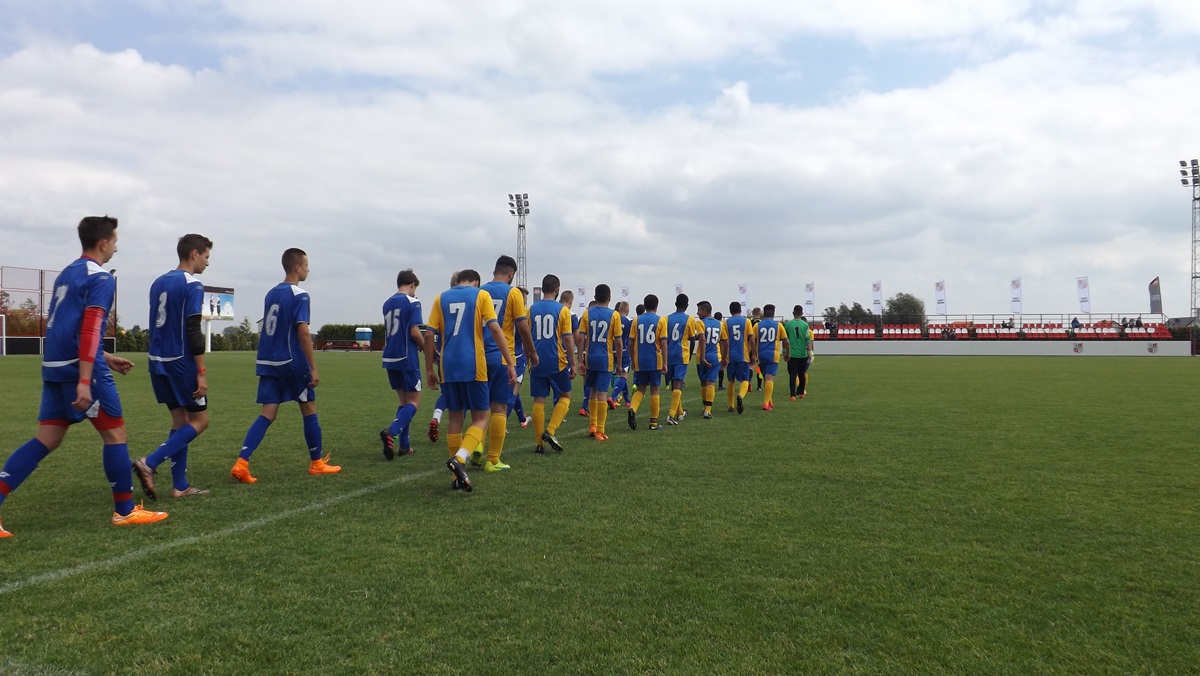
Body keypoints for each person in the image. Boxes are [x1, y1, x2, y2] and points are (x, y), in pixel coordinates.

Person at [0, 216, 166, 537]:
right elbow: (90, 329)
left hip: (55, 366)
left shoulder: (68, 273)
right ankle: (125, 511)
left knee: (47, 438)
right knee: (115, 434)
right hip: (80, 368)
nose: (116, 248)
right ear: (103, 243)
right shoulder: (101, 277)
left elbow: (67, 328)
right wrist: (86, 378)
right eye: (115, 241)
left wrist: (106, 357)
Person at [231, 248, 340, 483]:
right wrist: (312, 367)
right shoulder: (300, 295)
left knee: (267, 414)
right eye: (306, 265)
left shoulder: (271, 293)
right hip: (291, 362)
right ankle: (317, 463)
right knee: (308, 408)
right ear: (297, 267)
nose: (309, 269)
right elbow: (303, 332)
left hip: (268, 360)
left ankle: (242, 462)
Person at [135, 233, 214, 500]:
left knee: (180, 421)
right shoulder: (193, 285)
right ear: (194, 253)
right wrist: (201, 372)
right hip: (181, 363)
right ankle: (149, 462)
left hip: (157, 362)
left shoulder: (158, 282)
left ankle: (180, 486)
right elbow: (193, 330)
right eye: (206, 256)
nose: (207, 263)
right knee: (200, 421)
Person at [424, 269, 516, 492]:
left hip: (447, 365)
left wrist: (428, 369)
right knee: (481, 417)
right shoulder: (480, 295)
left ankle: (456, 477)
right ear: (476, 282)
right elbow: (494, 328)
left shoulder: (440, 297)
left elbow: (428, 334)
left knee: (455, 418)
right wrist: (509, 362)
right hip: (473, 363)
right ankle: (460, 459)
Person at [479, 255, 538, 471]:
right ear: (511, 274)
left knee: (481, 407)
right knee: (499, 408)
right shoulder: (513, 293)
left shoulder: (480, 291)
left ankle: (477, 447)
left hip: (479, 356)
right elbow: (522, 327)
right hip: (502, 357)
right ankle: (492, 459)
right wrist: (531, 351)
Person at [378, 268, 433, 460]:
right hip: (406, 357)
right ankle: (391, 431)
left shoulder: (387, 303)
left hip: (389, 358)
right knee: (414, 402)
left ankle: (405, 446)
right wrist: (426, 348)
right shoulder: (413, 302)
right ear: (412, 284)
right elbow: (415, 332)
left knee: (403, 402)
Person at [528, 274, 576, 453]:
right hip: (557, 360)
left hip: (537, 360)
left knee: (539, 400)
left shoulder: (531, 309)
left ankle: (538, 443)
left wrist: (529, 358)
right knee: (566, 395)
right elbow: (568, 338)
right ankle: (550, 430)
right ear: (557, 290)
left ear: (542, 289)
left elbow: (527, 336)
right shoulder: (562, 310)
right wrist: (573, 362)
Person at [577, 285, 624, 441]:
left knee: (592, 391)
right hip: (605, 358)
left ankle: (592, 425)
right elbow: (618, 341)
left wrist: (580, 360)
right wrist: (619, 363)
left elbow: (581, 337)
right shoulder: (614, 315)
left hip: (590, 358)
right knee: (602, 394)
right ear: (609, 297)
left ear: (595, 297)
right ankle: (600, 431)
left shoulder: (587, 313)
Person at [660, 293, 705, 425]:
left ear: (675, 304)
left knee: (674, 384)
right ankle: (671, 414)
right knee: (678, 382)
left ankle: (680, 412)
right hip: (681, 354)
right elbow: (692, 338)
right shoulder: (689, 319)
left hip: (669, 355)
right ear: (687, 305)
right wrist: (690, 354)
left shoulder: (666, 319)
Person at [427, 271, 459, 444]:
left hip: (443, 355)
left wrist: (432, 356)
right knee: (466, 396)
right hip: (465, 355)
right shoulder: (471, 300)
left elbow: (430, 332)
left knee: (445, 392)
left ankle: (436, 418)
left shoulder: (442, 301)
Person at [628, 294, 667, 431]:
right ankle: (653, 423)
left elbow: (630, 343)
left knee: (640, 388)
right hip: (654, 359)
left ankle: (633, 409)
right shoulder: (661, 321)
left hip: (640, 359)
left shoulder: (636, 320)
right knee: (655, 389)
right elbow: (663, 343)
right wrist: (665, 362)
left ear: (644, 306)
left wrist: (633, 359)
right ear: (656, 306)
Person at [695, 302, 728, 418]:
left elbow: (702, 339)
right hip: (715, 356)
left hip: (701, 356)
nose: (697, 313)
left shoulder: (700, 323)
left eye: (699, 310)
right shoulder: (720, 324)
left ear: (705, 310)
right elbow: (725, 342)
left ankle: (705, 408)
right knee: (711, 383)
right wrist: (724, 358)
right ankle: (707, 410)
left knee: (703, 383)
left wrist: (703, 356)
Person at [723, 301, 756, 414]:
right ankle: (740, 396)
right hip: (743, 355)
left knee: (730, 380)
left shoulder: (726, 323)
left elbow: (725, 341)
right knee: (745, 379)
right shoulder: (746, 321)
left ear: (730, 311)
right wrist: (754, 354)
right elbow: (751, 339)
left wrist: (724, 356)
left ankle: (731, 405)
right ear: (740, 310)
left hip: (730, 356)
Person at [755, 304, 789, 411]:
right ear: (774, 313)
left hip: (761, 355)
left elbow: (752, 340)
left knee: (765, 378)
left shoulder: (757, 325)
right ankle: (766, 403)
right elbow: (786, 341)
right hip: (772, 355)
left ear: (763, 313)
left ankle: (769, 400)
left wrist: (753, 354)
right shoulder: (778, 325)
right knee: (769, 378)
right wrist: (787, 353)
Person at [506, 287, 530, 428]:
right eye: (524, 300)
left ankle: (522, 419)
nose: (525, 303)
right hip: (517, 357)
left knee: (514, 390)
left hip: (502, 355)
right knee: (514, 391)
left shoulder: (505, 314)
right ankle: (502, 423)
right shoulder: (522, 316)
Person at [783, 306, 814, 400]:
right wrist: (810, 352)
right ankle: (801, 393)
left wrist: (785, 351)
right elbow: (807, 340)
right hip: (802, 354)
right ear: (802, 313)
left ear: (793, 313)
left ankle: (792, 395)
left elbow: (785, 340)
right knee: (801, 374)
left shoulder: (788, 325)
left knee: (792, 375)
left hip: (791, 354)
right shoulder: (805, 325)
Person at [610, 301, 633, 407]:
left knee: (620, 374)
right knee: (624, 375)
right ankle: (613, 397)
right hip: (623, 350)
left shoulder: (613, 319)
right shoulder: (629, 322)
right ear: (627, 310)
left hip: (612, 350)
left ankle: (627, 400)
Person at [750, 307, 764, 390]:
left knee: (750, 365)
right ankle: (759, 386)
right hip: (759, 347)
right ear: (760, 313)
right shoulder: (761, 324)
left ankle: (749, 382)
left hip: (749, 346)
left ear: (752, 313)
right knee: (759, 367)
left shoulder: (749, 322)